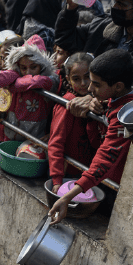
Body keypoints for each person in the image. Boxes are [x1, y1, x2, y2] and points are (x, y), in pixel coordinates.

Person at [48, 49, 133, 224]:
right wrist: (93, 118)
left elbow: (105, 158)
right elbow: (97, 143)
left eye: (95, 84)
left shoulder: (125, 114)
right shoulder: (109, 101)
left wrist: (68, 196)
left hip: (116, 185)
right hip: (103, 179)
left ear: (118, 86)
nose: (89, 88)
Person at [54, 0, 133, 89]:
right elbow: (65, 39)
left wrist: (100, 96)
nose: (115, 7)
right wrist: (70, 8)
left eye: (121, 4)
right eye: (115, 2)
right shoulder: (102, 26)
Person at [0, 35, 56, 142]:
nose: (28, 72)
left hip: (33, 141)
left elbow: (31, 81)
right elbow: (5, 76)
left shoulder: (49, 80)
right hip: (9, 136)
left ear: (42, 66)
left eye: (33, 67)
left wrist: (12, 85)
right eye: (23, 68)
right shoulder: (11, 77)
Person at [47, 52, 96, 193]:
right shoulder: (67, 105)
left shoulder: (97, 102)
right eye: (76, 79)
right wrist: (57, 179)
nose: (83, 83)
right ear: (68, 79)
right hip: (68, 174)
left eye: (87, 77)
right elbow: (56, 143)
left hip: (86, 173)